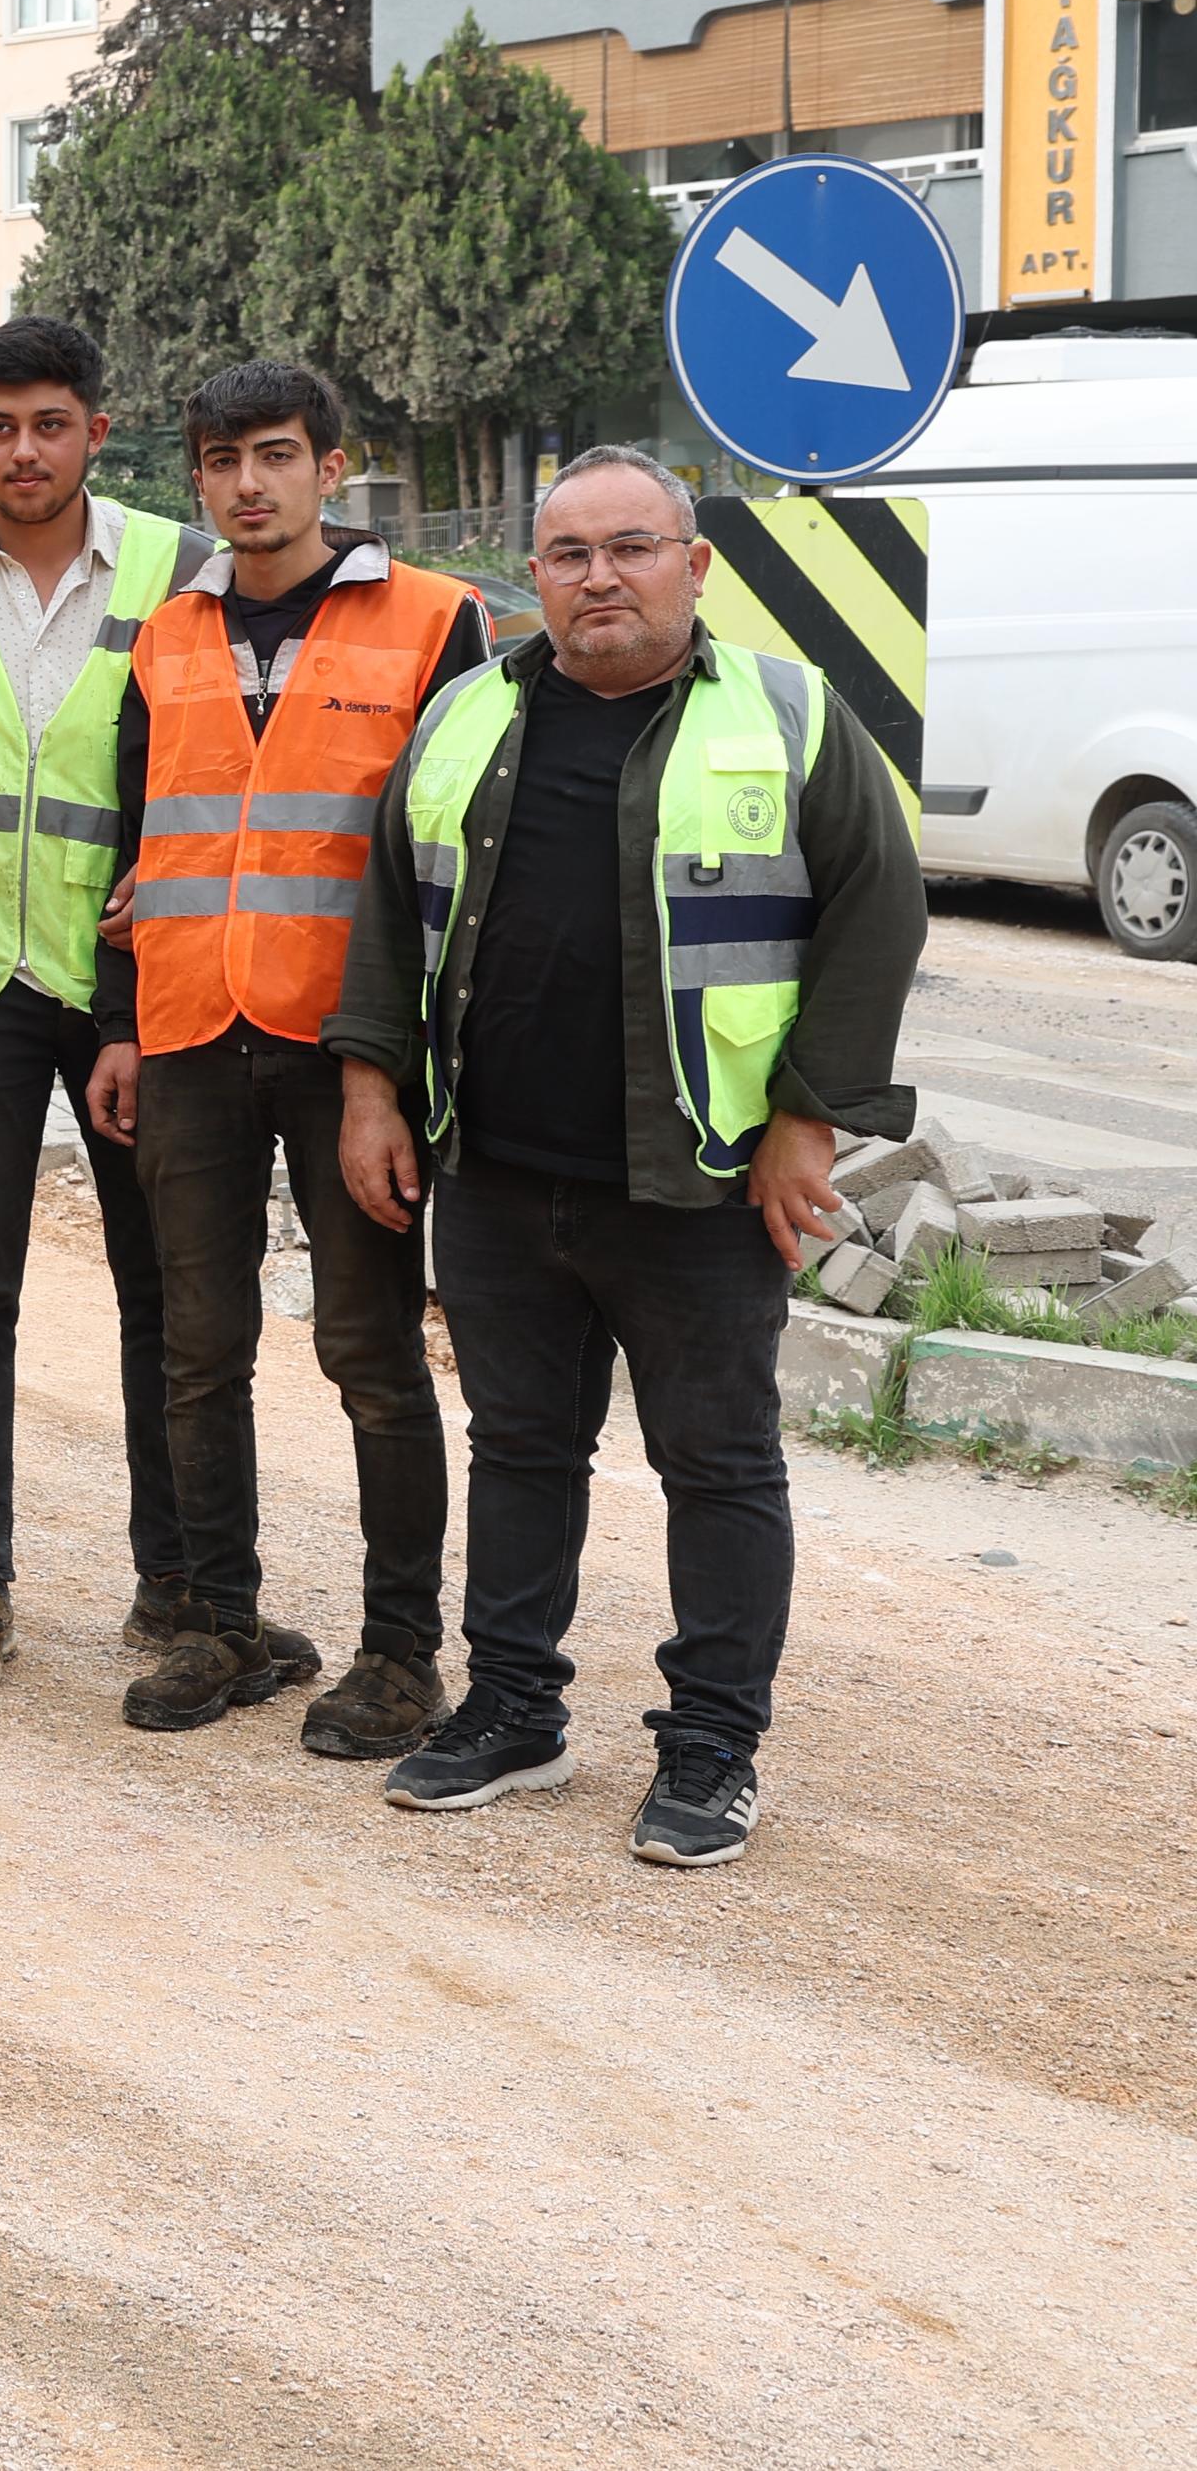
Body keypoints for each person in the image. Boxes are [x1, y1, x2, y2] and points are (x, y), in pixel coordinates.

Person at [331, 448, 922, 1867]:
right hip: (496, 1168)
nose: (599, 577)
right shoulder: (468, 712)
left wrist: (807, 1117)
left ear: (693, 565)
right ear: (534, 574)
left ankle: (711, 1746)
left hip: (701, 1178)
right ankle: (513, 1709)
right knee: (520, 1447)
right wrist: (369, 1088)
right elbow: (390, 906)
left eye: (631, 547)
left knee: (715, 1462)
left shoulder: (785, 712)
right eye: (569, 554)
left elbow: (878, 906)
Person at [92, 361, 491, 1753]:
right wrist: (120, 1022)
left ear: (330, 465)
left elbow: (459, 845)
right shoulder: (165, 635)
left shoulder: (435, 620)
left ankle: (398, 1653)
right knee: (197, 1349)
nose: (245, 483)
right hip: (191, 1030)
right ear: (195, 476)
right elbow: (134, 840)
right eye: (219, 459)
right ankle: (220, 1623)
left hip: (348, 1048)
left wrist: (415, 1060)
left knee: (368, 1350)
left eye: (273, 454)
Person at [0, 319, 195, 1699]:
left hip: (129, 983)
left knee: (160, 1290)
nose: (24, 451)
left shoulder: (178, 564)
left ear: (94, 432)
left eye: (49, 424)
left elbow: (215, 753)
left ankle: (176, 1582)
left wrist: (174, 881)